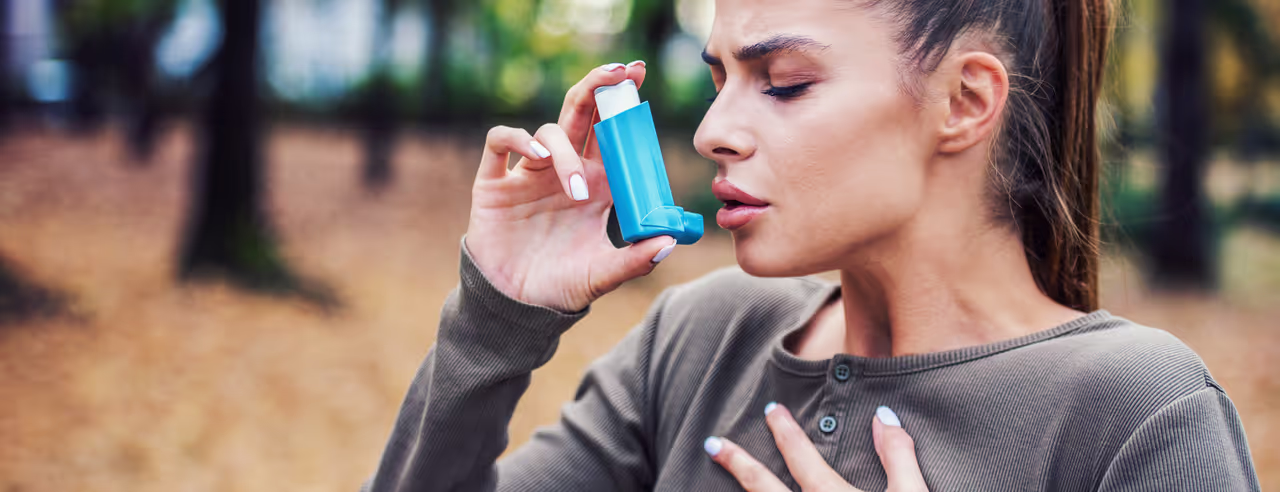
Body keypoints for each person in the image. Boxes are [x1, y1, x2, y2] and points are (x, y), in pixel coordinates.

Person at [361, 0, 1261, 489]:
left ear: (965, 101)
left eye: (782, 83)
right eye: (719, 79)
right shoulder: (701, 342)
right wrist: (496, 316)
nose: (713, 129)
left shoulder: (1137, 416)